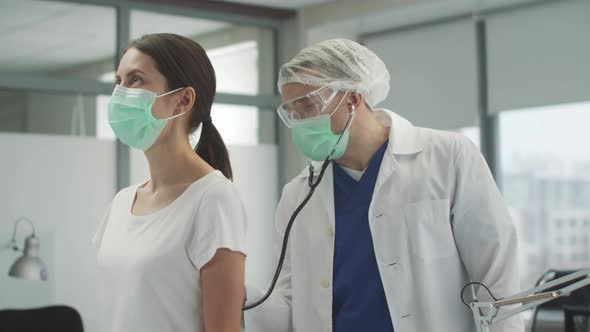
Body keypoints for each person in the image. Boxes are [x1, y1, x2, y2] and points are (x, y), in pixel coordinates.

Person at [245, 39, 523, 332]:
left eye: (308, 106)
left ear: (352, 98)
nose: (301, 121)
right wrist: (237, 296)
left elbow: (496, 272)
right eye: (292, 112)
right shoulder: (298, 194)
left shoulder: (447, 156)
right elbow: (291, 301)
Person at [93, 33, 247, 332]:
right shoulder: (123, 202)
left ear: (183, 100)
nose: (120, 94)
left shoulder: (213, 198)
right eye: (119, 81)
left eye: (135, 79)